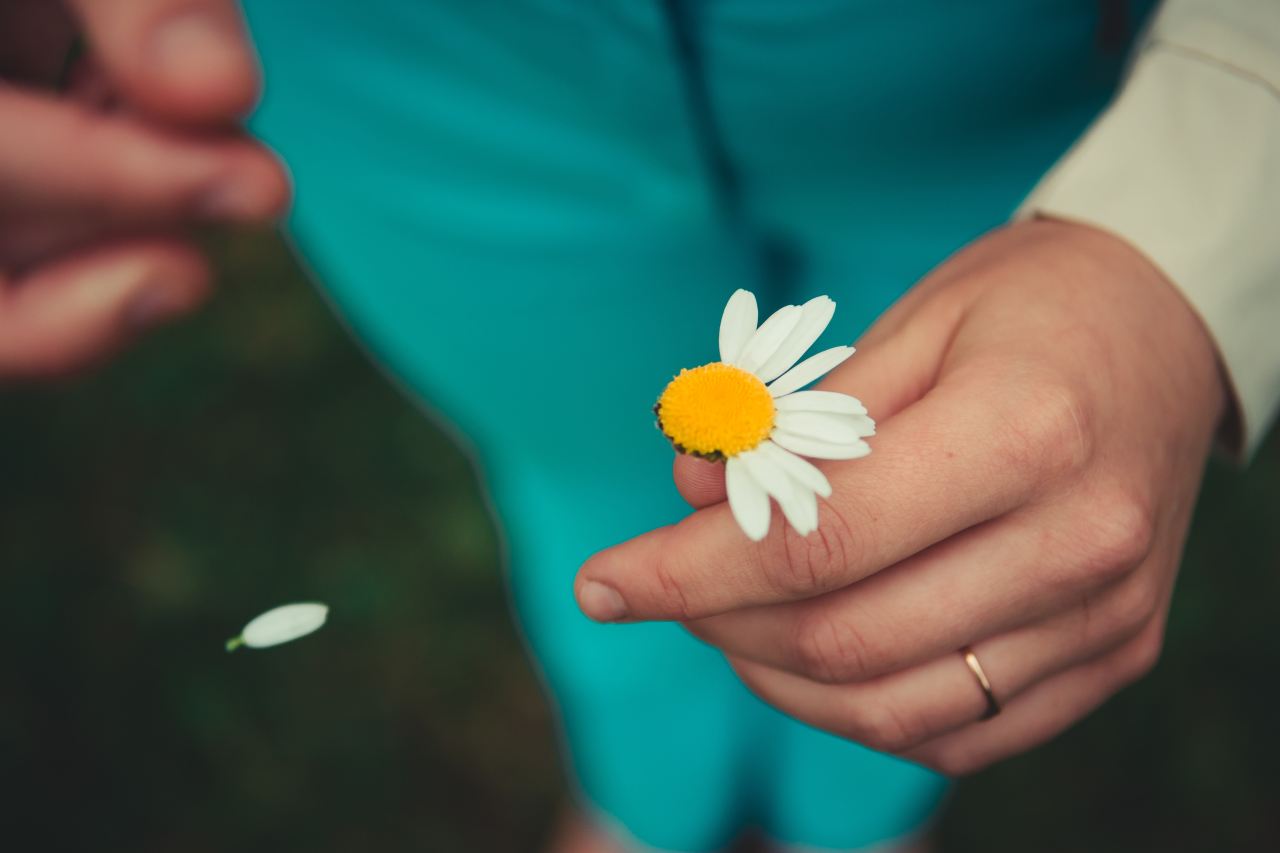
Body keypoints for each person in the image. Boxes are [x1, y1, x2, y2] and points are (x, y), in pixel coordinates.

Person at [1, 1, 1276, 851]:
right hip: (413, 90)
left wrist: (1184, 215)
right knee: (590, 489)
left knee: (936, 539)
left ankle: (857, 810)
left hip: (1003, 79)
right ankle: (642, 799)